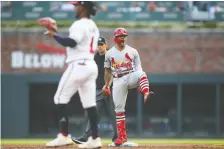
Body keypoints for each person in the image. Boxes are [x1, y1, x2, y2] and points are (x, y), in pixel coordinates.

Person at [45, 1, 102, 148]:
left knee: (59, 98)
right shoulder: (93, 26)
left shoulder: (79, 24)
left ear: (83, 8)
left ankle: (64, 136)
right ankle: (95, 139)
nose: (75, 8)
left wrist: (54, 35)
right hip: (90, 65)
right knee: (90, 104)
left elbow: (71, 42)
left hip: (78, 65)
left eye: (77, 5)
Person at [103, 27, 154, 146]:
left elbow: (139, 68)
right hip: (117, 80)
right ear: (115, 38)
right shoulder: (109, 53)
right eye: (121, 36)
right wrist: (106, 85)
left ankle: (145, 92)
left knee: (142, 74)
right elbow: (107, 71)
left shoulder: (133, 51)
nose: (123, 38)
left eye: (124, 36)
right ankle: (122, 137)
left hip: (130, 75)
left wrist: (138, 81)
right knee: (119, 110)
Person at [72, 37, 118, 145]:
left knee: (114, 114)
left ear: (106, 45)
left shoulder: (111, 56)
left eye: (101, 44)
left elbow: (113, 72)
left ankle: (118, 138)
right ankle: (86, 138)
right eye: (98, 45)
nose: (100, 47)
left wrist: (108, 85)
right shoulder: (94, 57)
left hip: (111, 89)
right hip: (98, 90)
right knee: (94, 112)